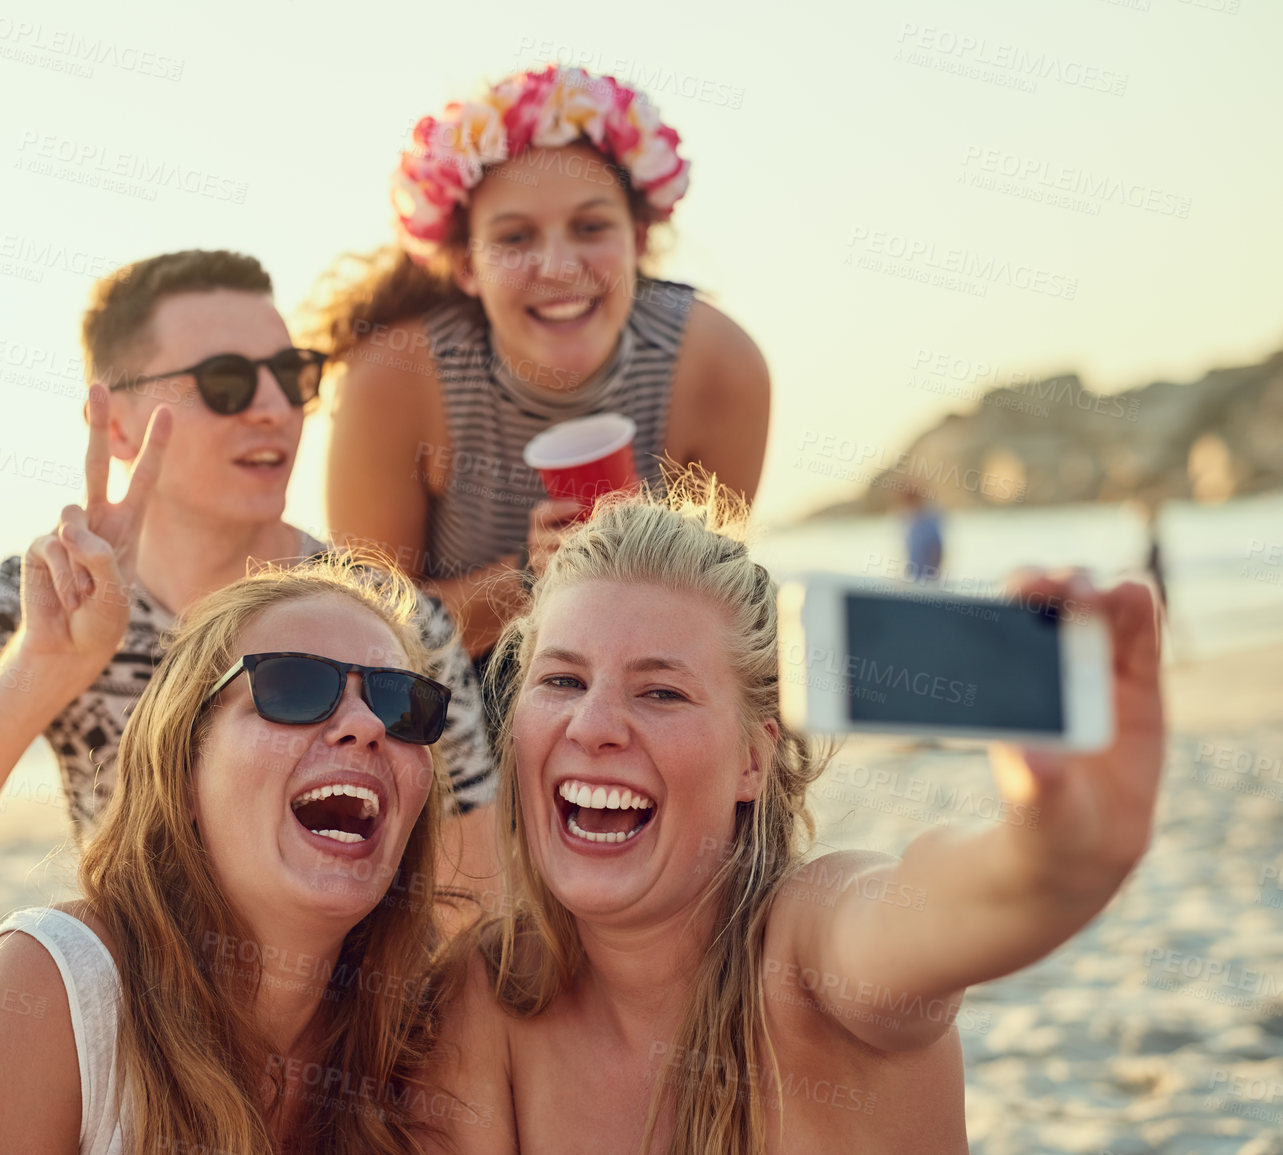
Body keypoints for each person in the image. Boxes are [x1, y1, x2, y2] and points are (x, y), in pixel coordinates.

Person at [425, 474, 1164, 1153]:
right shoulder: (485, 996)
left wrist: (1054, 855)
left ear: (753, 759)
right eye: (561, 678)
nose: (592, 725)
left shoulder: (804, 953)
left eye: (661, 692)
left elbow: (926, 911)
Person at [0, 250, 497, 892]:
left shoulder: (384, 615)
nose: (273, 407)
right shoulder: (44, 600)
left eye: (289, 373)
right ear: (116, 426)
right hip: (139, 995)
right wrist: (51, 659)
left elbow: (475, 897)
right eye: (225, 382)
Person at [0, 555, 465, 1153]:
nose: (365, 724)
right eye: (293, 688)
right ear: (184, 771)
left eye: (401, 702)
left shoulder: (430, 1041)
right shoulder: (56, 992)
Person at [308, 64, 772, 669]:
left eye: (590, 227)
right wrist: (528, 579)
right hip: (446, 714)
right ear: (466, 265)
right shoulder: (395, 377)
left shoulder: (718, 366)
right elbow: (367, 640)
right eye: (515, 237)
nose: (556, 266)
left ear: (636, 239)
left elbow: (717, 617)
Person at [897, 482, 944, 583]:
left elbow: (937, 550)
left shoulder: (929, 521)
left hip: (927, 581)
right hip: (913, 579)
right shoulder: (911, 522)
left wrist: (932, 578)